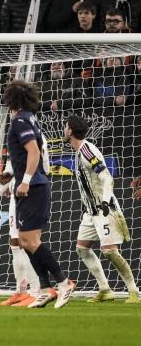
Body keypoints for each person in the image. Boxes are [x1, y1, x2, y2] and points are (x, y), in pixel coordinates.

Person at [3, 80, 75, 308]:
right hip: (34, 185)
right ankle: (45, 289)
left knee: (29, 241)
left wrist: (24, 181)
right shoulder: (30, 118)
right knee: (26, 242)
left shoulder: (20, 121)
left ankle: (64, 282)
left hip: (33, 186)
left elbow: (33, 152)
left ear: (11, 99)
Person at [64, 114, 139, 303]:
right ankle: (105, 289)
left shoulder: (87, 151)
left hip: (105, 209)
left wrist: (105, 202)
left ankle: (134, 291)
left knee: (110, 251)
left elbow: (106, 177)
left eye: (65, 126)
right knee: (82, 248)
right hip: (91, 212)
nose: (64, 130)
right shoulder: (79, 151)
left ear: (70, 131)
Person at [0, 157, 40, 307]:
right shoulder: (13, 145)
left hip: (27, 194)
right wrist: (10, 181)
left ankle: (36, 292)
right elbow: (9, 173)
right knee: (15, 243)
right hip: (16, 195)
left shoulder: (29, 144)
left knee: (26, 242)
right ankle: (21, 291)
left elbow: (34, 166)